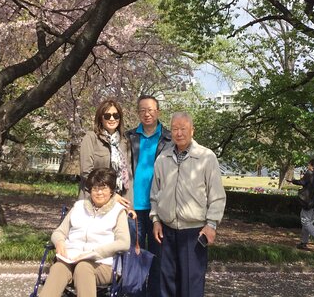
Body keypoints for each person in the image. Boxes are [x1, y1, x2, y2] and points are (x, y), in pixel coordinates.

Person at [150, 112, 226, 297]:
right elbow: (155, 193)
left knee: (191, 285)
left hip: (194, 231)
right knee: (166, 283)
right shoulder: (163, 158)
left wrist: (211, 224)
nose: (179, 133)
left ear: (192, 130)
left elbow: (216, 195)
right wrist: (155, 220)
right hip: (167, 230)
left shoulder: (206, 157)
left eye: (183, 128)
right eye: (175, 128)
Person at [39, 168, 130, 297]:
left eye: (103, 188)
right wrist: (59, 242)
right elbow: (59, 232)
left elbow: (124, 243)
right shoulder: (79, 207)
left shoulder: (117, 211)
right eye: (95, 188)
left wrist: (95, 253)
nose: (99, 193)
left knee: (83, 267)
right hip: (71, 259)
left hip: (103, 264)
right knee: (58, 268)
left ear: (111, 191)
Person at [124, 95, 172, 297]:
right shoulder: (128, 137)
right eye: (142, 110)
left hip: (158, 210)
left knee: (157, 259)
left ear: (158, 111)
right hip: (133, 207)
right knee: (132, 257)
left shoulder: (169, 139)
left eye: (151, 109)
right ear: (138, 113)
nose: (147, 113)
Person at [79, 100, 133, 208]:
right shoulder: (91, 138)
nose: (112, 119)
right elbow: (86, 173)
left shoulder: (124, 142)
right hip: (95, 201)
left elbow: (127, 176)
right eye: (107, 116)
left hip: (120, 201)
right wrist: (112, 196)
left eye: (116, 115)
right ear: (101, 118)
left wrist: (130, 206)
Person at [291, 159, 314, 252]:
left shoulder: (310, 174)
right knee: (308, 223)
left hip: (309, 203)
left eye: (309, 164)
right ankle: (304, 243)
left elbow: (302, 182)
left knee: (305, 222)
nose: (308, 166)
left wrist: (293, 181)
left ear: (313, 166)